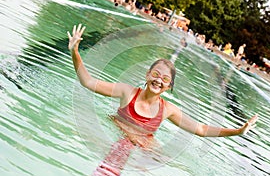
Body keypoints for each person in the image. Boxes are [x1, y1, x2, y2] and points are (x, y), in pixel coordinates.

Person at [67, 24, 258, 148]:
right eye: (156, 74)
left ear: (169, 86)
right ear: (147, 75)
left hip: (144, 148)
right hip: (115, 135)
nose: (159, 80)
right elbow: (88, 82)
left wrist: (237, 131)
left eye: (165, 79)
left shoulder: (168, 110)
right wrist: (75, 52)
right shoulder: (126, 92)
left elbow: (200, 129)